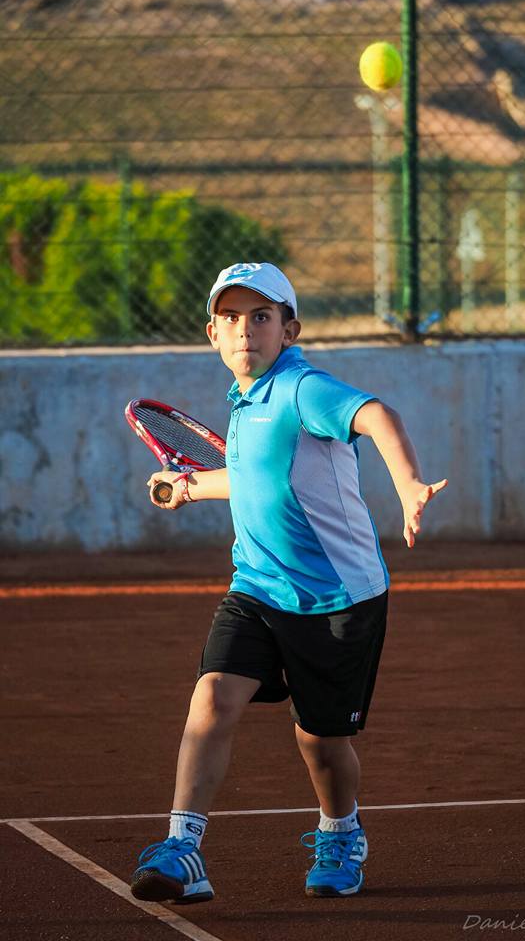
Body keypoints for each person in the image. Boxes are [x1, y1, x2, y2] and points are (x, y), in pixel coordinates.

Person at [130, 262, 447, 904]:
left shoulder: (304, 388)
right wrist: (189, 488)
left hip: (339, 600)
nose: (245, 328)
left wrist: (408, 482)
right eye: (231, 318)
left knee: (321, 742)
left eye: (262, 316)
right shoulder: (245, 404)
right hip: (257, 588)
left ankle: (340, 831)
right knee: (212, 698)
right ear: (212, 334)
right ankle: (183, 848)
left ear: (288, 329)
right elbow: (251, 477)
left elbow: (377, 415)